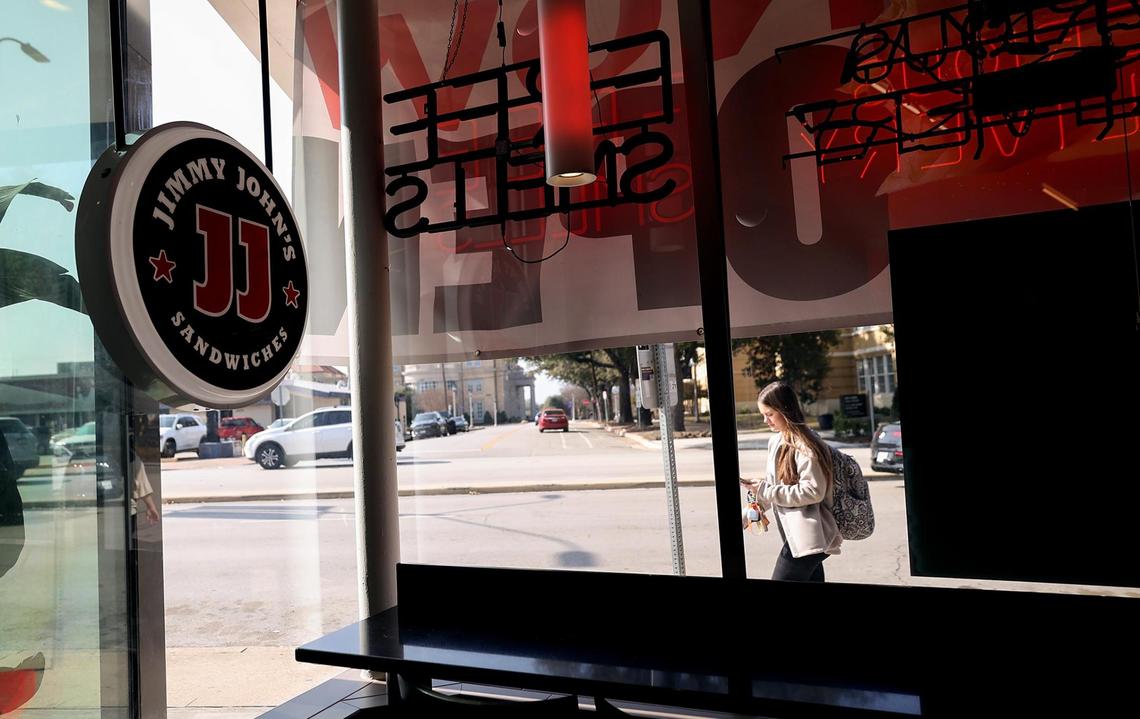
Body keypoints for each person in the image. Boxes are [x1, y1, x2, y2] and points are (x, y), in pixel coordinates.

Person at [740, 381, 841, 582]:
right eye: (763, 414)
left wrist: (765, 490)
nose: (765, 420)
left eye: (769, 414)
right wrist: (752, 508)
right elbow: (774, 487)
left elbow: (813, 491)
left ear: (785, 410)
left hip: (810, 538)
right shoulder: (777, 440)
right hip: (797, 537)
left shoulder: (806, 444)